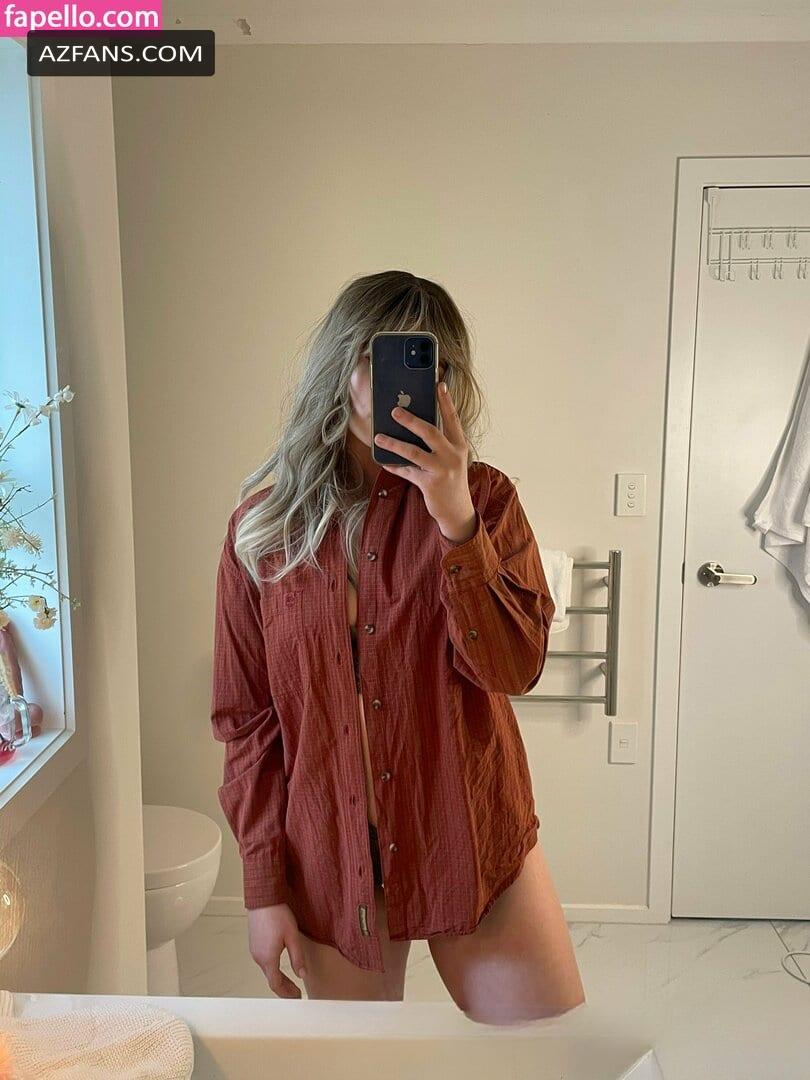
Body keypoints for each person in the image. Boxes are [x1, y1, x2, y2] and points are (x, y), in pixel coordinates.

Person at [210, 270, 585, 1024]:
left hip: (470, 838)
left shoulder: (487, 501)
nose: (403, 388)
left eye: (428, 366)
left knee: (552, 1058)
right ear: (338, 365)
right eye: (378, 361)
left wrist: (456, 521)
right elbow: (247, 722)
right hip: (331, 858)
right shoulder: (263, 528)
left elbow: (514, 669)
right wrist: (263, 889)